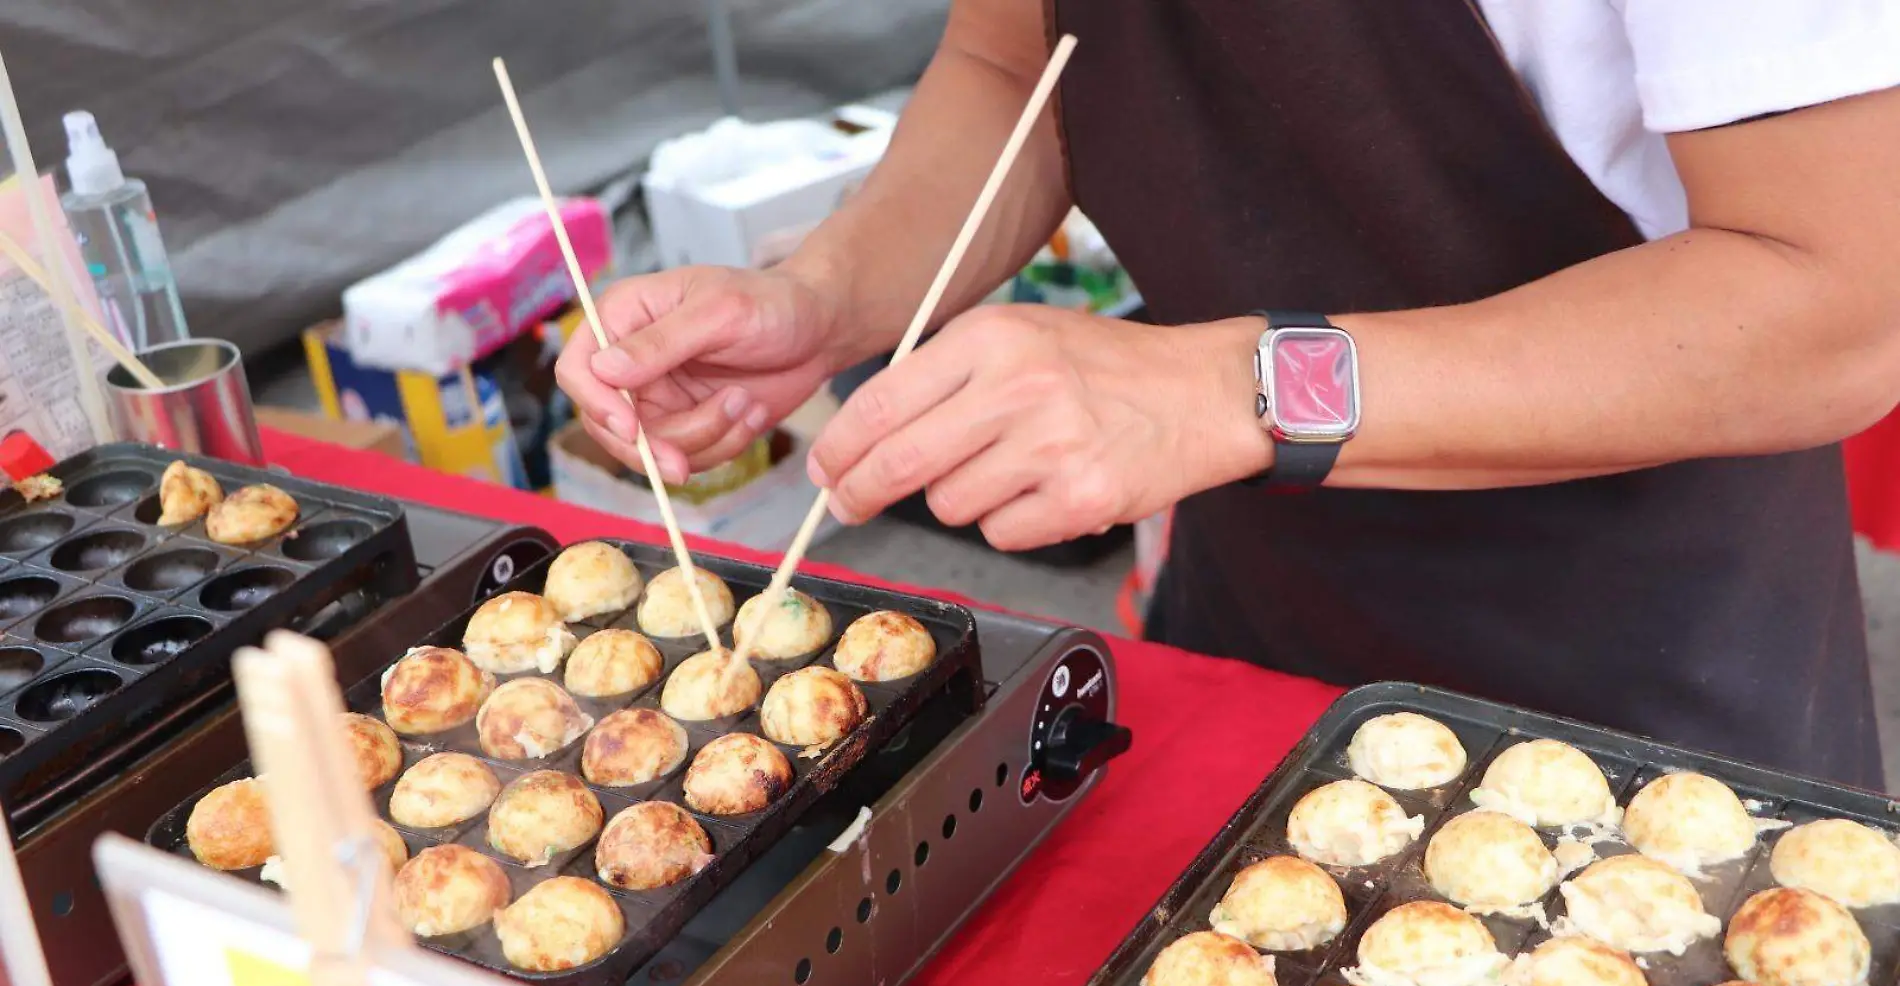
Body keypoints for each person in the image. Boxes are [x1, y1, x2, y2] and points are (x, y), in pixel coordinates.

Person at [559, 1, 1900, 788]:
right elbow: (1016, 69)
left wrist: (1228, 387)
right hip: (1254, 610)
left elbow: (1833, 300)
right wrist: (838, 293)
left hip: (1641, 652)